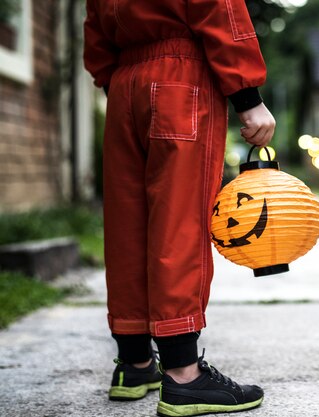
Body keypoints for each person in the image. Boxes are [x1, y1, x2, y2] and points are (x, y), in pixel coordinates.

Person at [83, 1, 275, 415]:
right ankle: (184, 373)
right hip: (180, 78)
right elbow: (219, 9)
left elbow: (95, 31)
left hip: (123, 84)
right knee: (179, 221)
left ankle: (134, 363)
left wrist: (118, 84)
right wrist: (248, 98)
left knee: (127, 224)